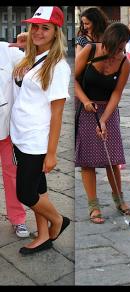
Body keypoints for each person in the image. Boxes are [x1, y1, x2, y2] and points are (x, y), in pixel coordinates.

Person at [10, 6, 71, 255]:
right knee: (39, 189)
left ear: (56, 32)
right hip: (22, 136)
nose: (38, 31)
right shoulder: (34, 58)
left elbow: (57, 113)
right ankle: (44, 236)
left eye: (45, 27)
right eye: (35, 26)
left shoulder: (57, 66)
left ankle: (57, 220)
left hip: (36, 140)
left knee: (25, 192)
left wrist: (52, 153)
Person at [75, 22, 130, 224]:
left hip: (107, 109)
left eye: (122, 48)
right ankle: (93, 206)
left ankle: (119, 200)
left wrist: (104, 119)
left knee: (113, 157)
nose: (119, 52)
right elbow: (73, 79)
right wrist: (85, 101)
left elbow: (116, 94)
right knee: (87, 160)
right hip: (84, 107)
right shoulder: (90, 50)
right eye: (116, 48)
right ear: (108, 42)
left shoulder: (124, 63)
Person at [0, 41, 30, 238]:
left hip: (6, 126)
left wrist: (33, 45)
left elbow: (33, 66)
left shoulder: (7, 50)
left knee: (12, 175)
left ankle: (18, 219)